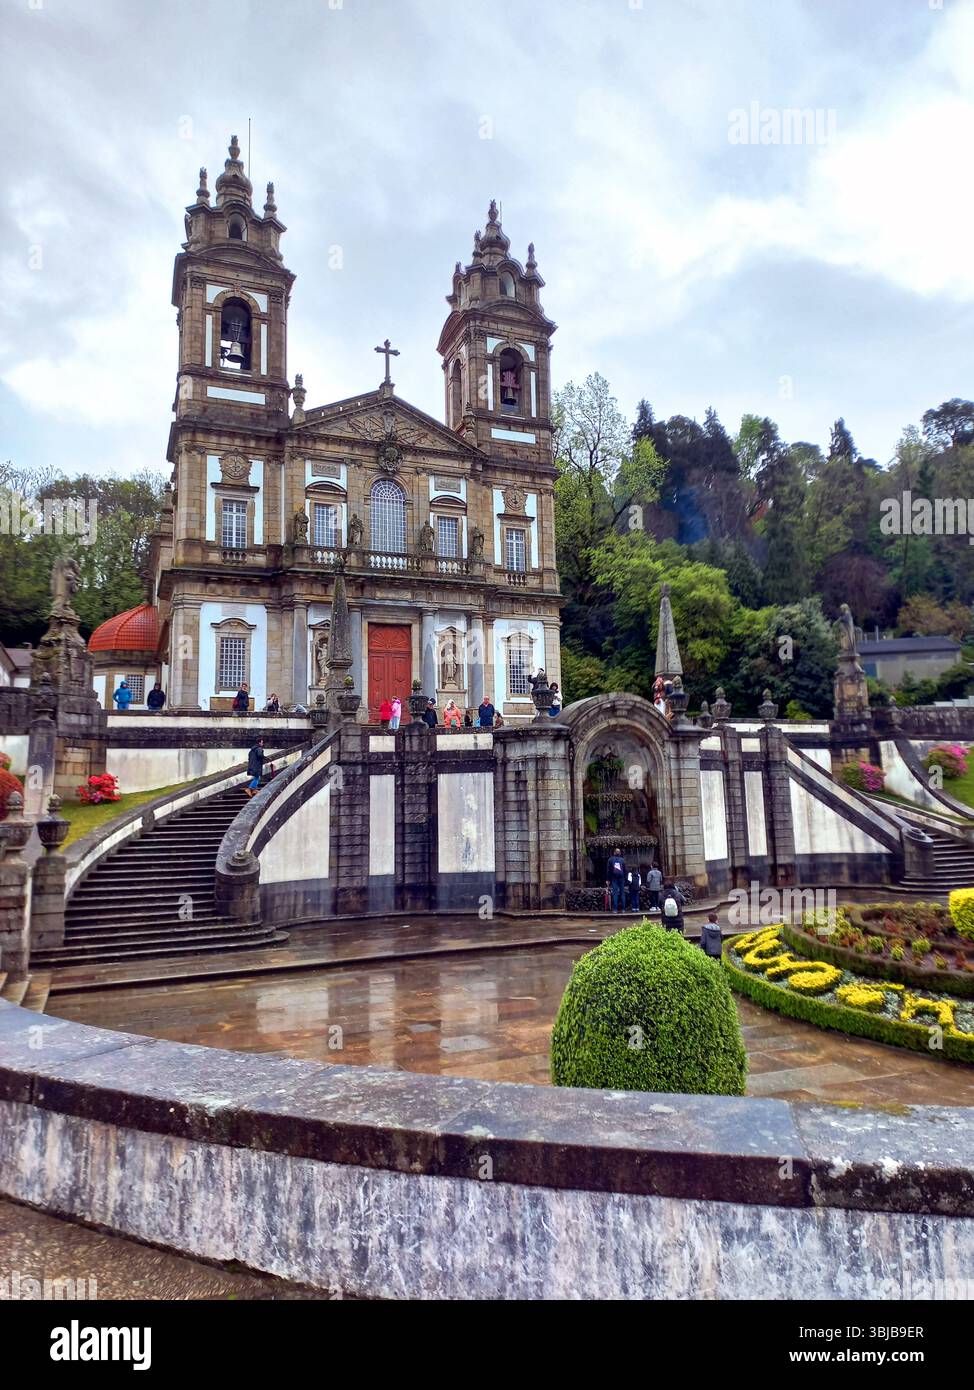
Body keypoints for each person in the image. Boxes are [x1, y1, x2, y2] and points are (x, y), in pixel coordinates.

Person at [606, 847, 627, 913]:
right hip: (621, 878)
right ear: (620, 853)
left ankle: (615, 909)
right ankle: (623, 909)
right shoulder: (622, 860)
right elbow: (625, 870)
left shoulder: (610, 859)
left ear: (614, 853)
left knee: (615, 893)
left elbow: (608, 870)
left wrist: (608, 879)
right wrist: (625, 879)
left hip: (614, 878)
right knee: (622, 893)